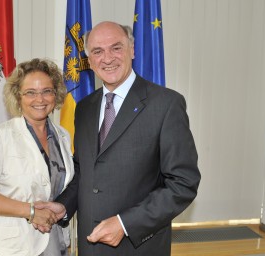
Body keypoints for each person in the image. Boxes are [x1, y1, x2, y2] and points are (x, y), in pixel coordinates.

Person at [54, 21, 201, 255]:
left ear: (132, 50)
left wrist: (125, 223)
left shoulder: (166, 104)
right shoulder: (84, 108)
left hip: (139, 247)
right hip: (90, 246)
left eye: (116, 47)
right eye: (97, 51)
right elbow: (84, 170)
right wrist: (61, 207)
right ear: (89, 60)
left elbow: (183, 183)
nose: (107, 58)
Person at [0, 58, 74, 256]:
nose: (39, 100)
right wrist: (31, 212)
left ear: (55, 95)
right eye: (30, 92)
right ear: (18, 96)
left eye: (46, 91)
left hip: (55, 244)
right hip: (12, 248)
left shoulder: (63, 136)